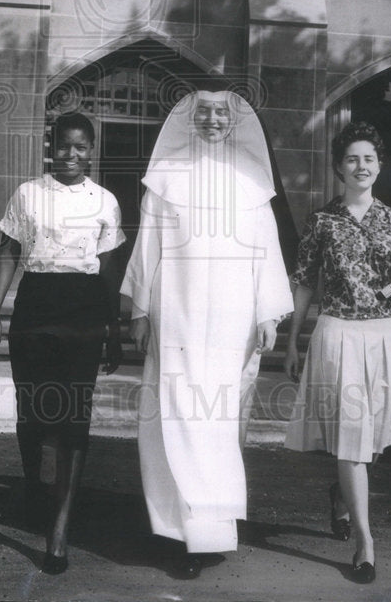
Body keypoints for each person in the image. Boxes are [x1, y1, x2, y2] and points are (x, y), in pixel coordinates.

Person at [121, 90, 294, 578]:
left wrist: (268, 313)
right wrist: (138, 309)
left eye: (222, 114)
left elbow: (267, 251)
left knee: (218, 419)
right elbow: (147, 245)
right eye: (204, 113)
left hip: (232, 320)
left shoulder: (252, 182)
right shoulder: (166, 178)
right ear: (189, 120)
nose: (213, 120)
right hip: (176, 312)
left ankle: (214, 529)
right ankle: (179, 532)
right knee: (177, 414)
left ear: (234, 123)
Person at [283, 121, 391, 584]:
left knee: (374, 439)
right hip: (338, 333)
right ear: (338, 168)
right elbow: (306, 281)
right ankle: (365, 543)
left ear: (379, 166)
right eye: (352, 159)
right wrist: (293, 339)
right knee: (351, 435)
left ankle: (341, 494)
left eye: (369, 158)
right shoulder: (322, 221)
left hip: (386, 334)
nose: (361, 166)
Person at [0, 112, 126, 575]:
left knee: (73, 416)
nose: (71, 155)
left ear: (92, 150)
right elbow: (9, 253)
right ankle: (33, 485)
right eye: (64, 146)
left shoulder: (105, 201)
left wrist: (113, 328)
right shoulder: (29, 193)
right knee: (34, 410)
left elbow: (107, 271)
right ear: (52, 145)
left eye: (81, 148)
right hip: (37, 303)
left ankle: (58, 531)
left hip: (83, 309)